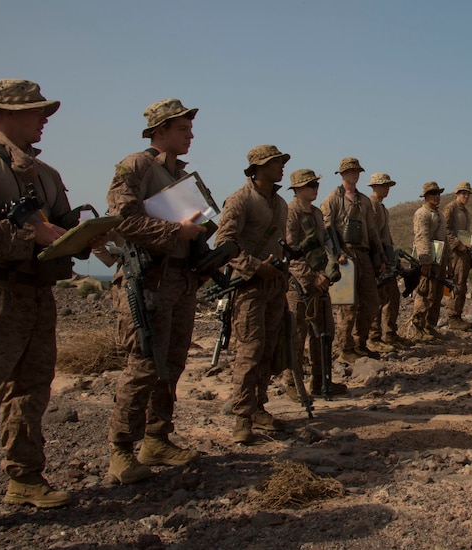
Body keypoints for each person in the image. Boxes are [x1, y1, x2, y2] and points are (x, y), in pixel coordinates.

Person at [0, 79, 105, 507]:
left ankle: (25, 477)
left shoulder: (46, 174)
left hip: (37, 292)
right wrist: (29, 234)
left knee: (33, 388)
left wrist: (81, 235)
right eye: (38, 112)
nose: (45, 120)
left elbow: (57, 225)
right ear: (9, 113)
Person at [106, 98, 208, 483]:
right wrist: (173, 231)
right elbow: (123, 218)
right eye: (183, 129)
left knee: (174, 362)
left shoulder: (180, 175)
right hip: (148, 279)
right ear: (159, 130)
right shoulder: (136, 166)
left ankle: (156, 438)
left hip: (180, 279)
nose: (191, 135)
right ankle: (120, 449)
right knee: (145, 365)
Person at [215, 145, 290, 444]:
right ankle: (242, 416)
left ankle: (259, 406)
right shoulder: (240, 200)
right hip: (248, 286)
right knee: (249, 349)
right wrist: (254, 267)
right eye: (276, 163)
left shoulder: (281, 203)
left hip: (275, 285)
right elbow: (224, 242)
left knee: (268, 348)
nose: (281, 166)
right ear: (258, 168)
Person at [284, 168, 347, 398]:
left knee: (324, 332)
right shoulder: (291, 212)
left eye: (315, 184)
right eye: (310, 185)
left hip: (320, 281)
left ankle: (321, 381)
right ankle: (293, 384)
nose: (314, 188)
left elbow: (322, 247)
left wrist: (326, 272)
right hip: (299, 284)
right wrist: (311, 277)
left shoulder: (317, 214)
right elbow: (290, 252)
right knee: (297, 334)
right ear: (298, 189)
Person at [320, 157, 386, 363]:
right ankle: (346, 348)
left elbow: (373, 231)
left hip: (364, 255)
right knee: (346, 306)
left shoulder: (365, 201)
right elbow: (326, 232)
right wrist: (336, 254)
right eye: (350, 171)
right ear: (342, 174)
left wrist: (380, 258)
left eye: (357, 171)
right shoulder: (332, 200)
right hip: (344, 257)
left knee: (372, 301)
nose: (354, 174)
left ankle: (360, 343)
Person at [367, 172, 408, 351]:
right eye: (383, 185)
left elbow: (386, 235)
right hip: (376, 258)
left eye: (388, 185)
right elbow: (372, 234)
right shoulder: (371, 205)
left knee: (392, 295)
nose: (386, 189)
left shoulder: (383, 208)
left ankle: (390, 333)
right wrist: (378, 259)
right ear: (375, 186)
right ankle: (374, 337)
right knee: (377, 298)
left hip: (386, 256)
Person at [405, 181, 450, 341]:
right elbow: (421, 237)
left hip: (439, 259)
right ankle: (418, 326)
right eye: (433, 193)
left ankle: (430, 326)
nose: (436, 196)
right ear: (425, 196)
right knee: (425, 293)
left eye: (438, 193)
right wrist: (425, 261)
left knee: (437, 294)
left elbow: (444, 238)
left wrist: (448, 259)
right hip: (427, 260)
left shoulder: (440, 215)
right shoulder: (422, 214)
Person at [443, 181, 472, 330]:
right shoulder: (451, 209)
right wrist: (457, 244)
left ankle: (458, 315)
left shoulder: (465, 211)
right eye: (463, 193)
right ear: (457, 194)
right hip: (454, 253)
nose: (466, 196)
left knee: (462, 284)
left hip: (464, 252)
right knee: (455, 284)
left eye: (468, 193)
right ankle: (452, 316)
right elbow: (445, 230)